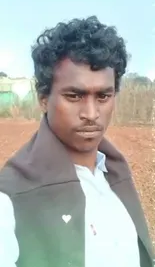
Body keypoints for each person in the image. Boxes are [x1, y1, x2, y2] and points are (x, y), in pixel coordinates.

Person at [0, 16, 154, 267]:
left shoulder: (115, 172)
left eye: (103, 96)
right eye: (74, 96)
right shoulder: (11, 199)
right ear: (42, 99)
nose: (91, 114)